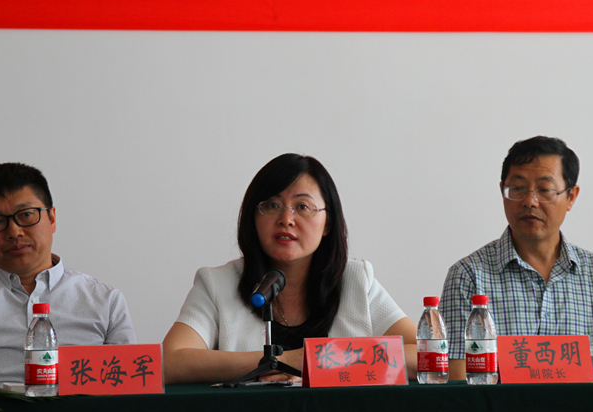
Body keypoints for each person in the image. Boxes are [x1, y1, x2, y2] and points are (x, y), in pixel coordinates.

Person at [162, 154, 417, 384]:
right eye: (272, 205)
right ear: (253, 216)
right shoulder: (217, 284)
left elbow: (427, 354)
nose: (286, 219)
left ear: (328, 223)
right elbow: (169, 362)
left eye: (302, 207)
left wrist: (313, 361)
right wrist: (280, 362)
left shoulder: (356, 281)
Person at [440, 136, 593, 380]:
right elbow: (457, 378)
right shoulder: (468, 276)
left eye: (545, 190)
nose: (530, 201)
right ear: (502, 191)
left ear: (571, 197)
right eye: (517, 189)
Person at [0, 163, 136, 384]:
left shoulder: (106, 301)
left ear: (52, 219)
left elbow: (127, 386)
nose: (14, 232)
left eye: (27, 214)